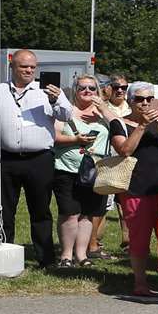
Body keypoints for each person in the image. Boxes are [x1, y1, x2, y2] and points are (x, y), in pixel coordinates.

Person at [109, 82, 158, 296]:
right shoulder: (119, 123)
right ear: (130, 101)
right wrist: (141, 126)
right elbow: (124, 150)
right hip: (135, 189)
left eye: (149, 99)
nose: (146, 103)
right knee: (139, 238)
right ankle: (140, 282)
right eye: (140, 99)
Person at [0, 49, 64, 263]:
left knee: (41, 210)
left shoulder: (47, 92)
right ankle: (3, 255)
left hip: (39, 159)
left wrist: (56, 100)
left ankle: (45, 257)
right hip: (6, 158)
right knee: (2, 209)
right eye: (24, 66)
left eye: (33, 67)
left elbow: (66, 115)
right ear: (12, 66)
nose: (29, 70)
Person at [51, 73, 111, 267]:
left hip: (95, 171)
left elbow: (119, 128)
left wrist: (103, 109)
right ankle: (66, 255)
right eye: (82, 88)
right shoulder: (66, 111)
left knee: (87, 214)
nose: (87, 91)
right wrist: (76, 140)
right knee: (70, 212)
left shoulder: (104, 113)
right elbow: (54, 136)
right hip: (67, 169)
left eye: (91, 88)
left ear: (98, 91)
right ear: (75, 91)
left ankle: (81, 255)